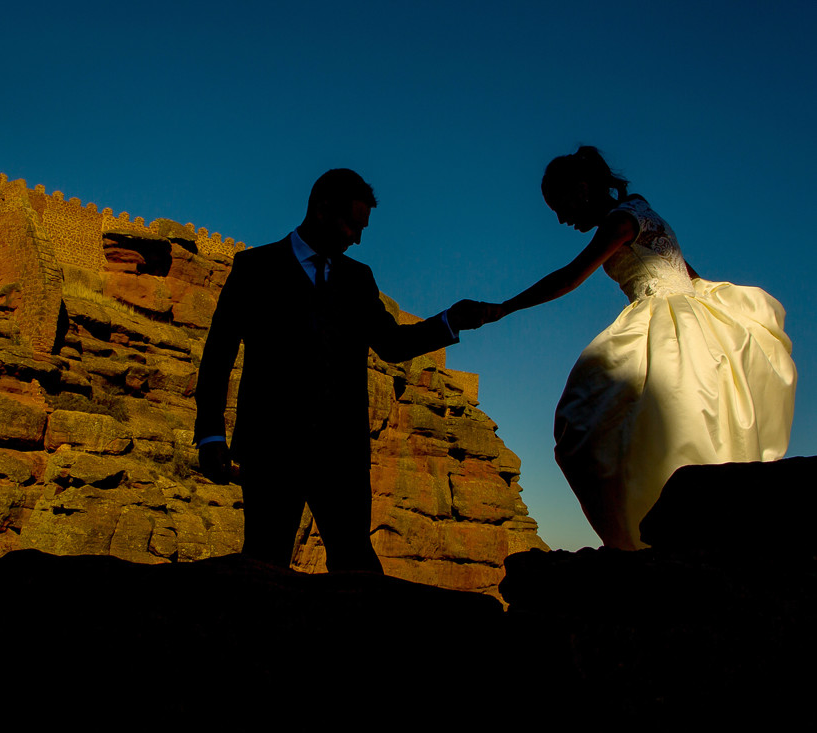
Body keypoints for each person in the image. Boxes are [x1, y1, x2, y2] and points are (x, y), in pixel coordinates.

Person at [482, 146, 796, 549]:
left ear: (582, 188)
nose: (562, 219)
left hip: (666, 321)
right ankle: (671, 530)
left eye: (561, 206)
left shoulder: (621, 221)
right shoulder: (639, 207)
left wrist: (504, 307)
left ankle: (646, 539)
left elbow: (570, 277)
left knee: (588, 418)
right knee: (676, 420)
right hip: (686, 316)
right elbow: (685, 270)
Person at [194, 169, 485, 572]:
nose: (358, 237)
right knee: (264, 566)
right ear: (321, 209)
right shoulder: (255, 268)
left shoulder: (358, 279)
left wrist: (450, 321)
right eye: (353, 224)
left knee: (356, 571)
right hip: (271, 450)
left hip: (342, 457)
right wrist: (210, 435)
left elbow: (392, 344)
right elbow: (218, 355)